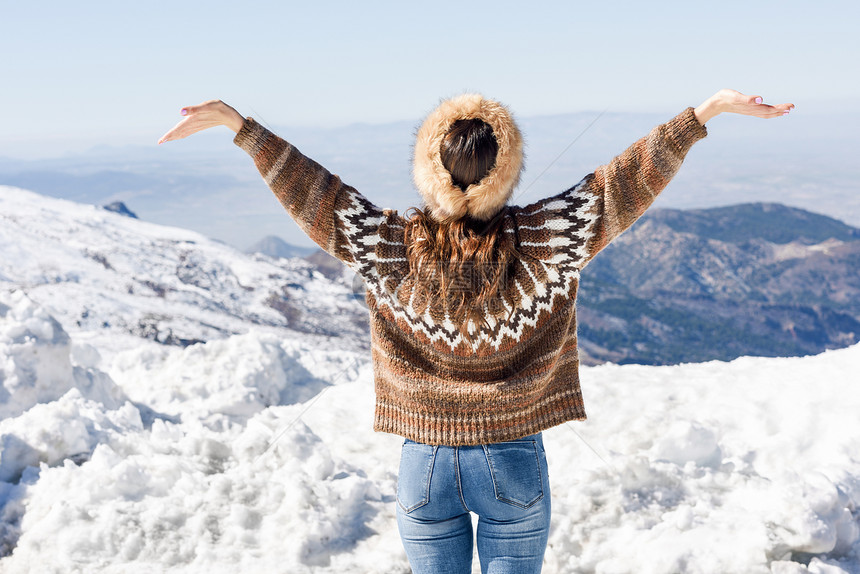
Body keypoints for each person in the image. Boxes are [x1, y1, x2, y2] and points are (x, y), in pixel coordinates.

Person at [159, 89, 793, 574]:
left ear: (429, 167)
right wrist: (706, 111)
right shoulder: (548, 239)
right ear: (504, 170)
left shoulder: (389, 245)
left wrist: (239, 126)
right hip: (513, 454)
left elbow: (314, 192)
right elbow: (625, 182)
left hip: (423, 460)